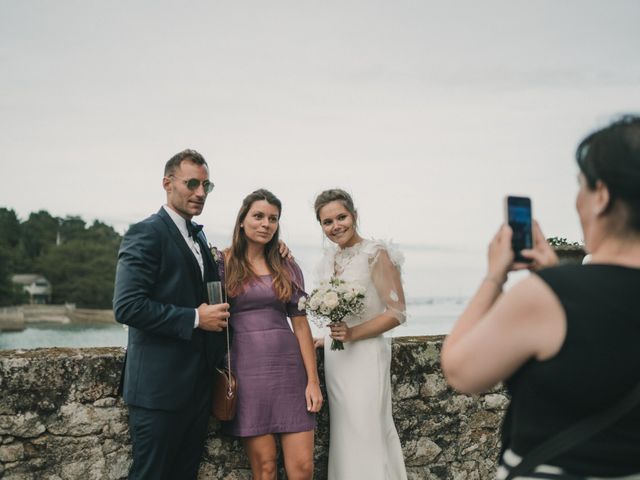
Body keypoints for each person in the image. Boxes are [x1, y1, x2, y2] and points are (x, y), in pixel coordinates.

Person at [441, 115, 640, 478]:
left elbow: (461, 371)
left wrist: (494, 277)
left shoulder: (549, 297)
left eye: (581, 186)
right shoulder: (557, 292)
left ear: (601, 196)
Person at [113, 149, 230, 479]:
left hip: (197, 389)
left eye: (207, 186)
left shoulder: (199, 234)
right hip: (158, 392)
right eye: (192, 183)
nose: (200, 193)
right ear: (167, 183)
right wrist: (196, 318)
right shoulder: (146, 233)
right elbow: (127, 306)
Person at [222, 189, 322, 480]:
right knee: (265, 468)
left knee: (303, 469)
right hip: (246, 373)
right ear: (242, 220)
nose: (266, 224)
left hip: (289, 374)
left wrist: (313, 382)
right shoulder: (221, 263)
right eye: (258, 216)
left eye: (273, 219)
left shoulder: (286, 265)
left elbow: (301, 325)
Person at [313, 188, 408, 480]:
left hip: (366, 356)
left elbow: (397, 312)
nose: (335, 226)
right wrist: (327, 338)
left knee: (367, 430)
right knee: (345, 432)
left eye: (341, 217)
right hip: (337, 358)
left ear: (354, 216)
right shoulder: (330, 259)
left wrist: (353, 334)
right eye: (327, 222)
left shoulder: (375, 253)